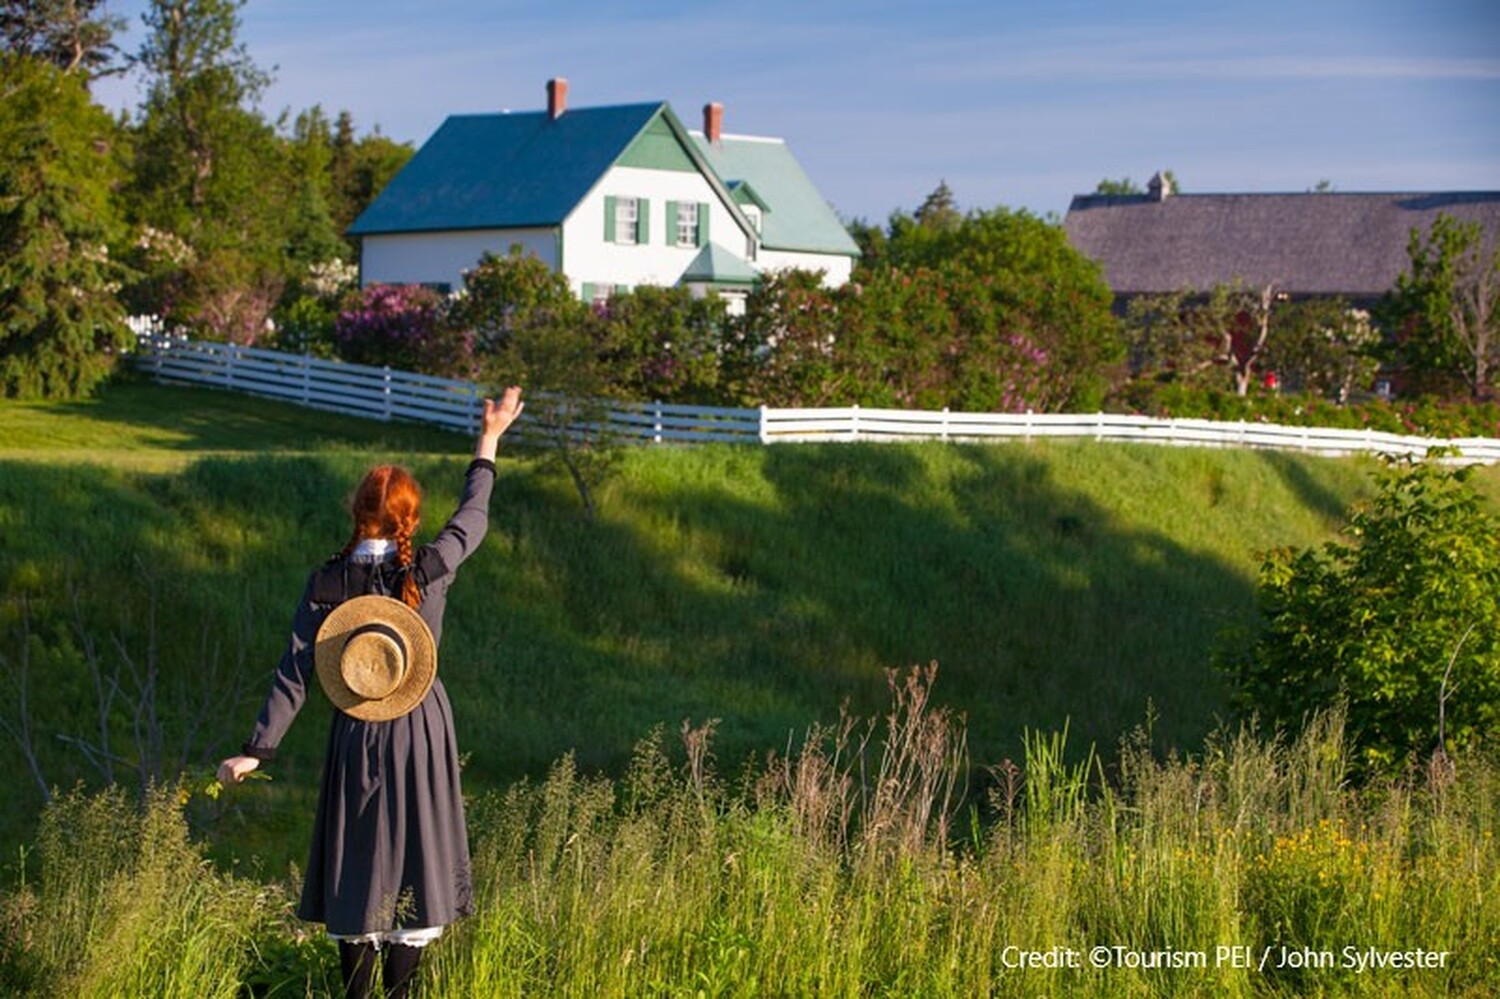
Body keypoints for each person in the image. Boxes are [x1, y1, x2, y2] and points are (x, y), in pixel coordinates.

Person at [217, 386, 524, 999]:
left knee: (361, 862)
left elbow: (296, 667)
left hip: (355, 726)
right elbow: (475, 516)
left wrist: (258, 748)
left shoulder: (327, 580)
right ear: (410, 517)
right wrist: (488, 439)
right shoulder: (428, 568)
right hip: (421, 725)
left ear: (357, 512)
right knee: (415, 857)